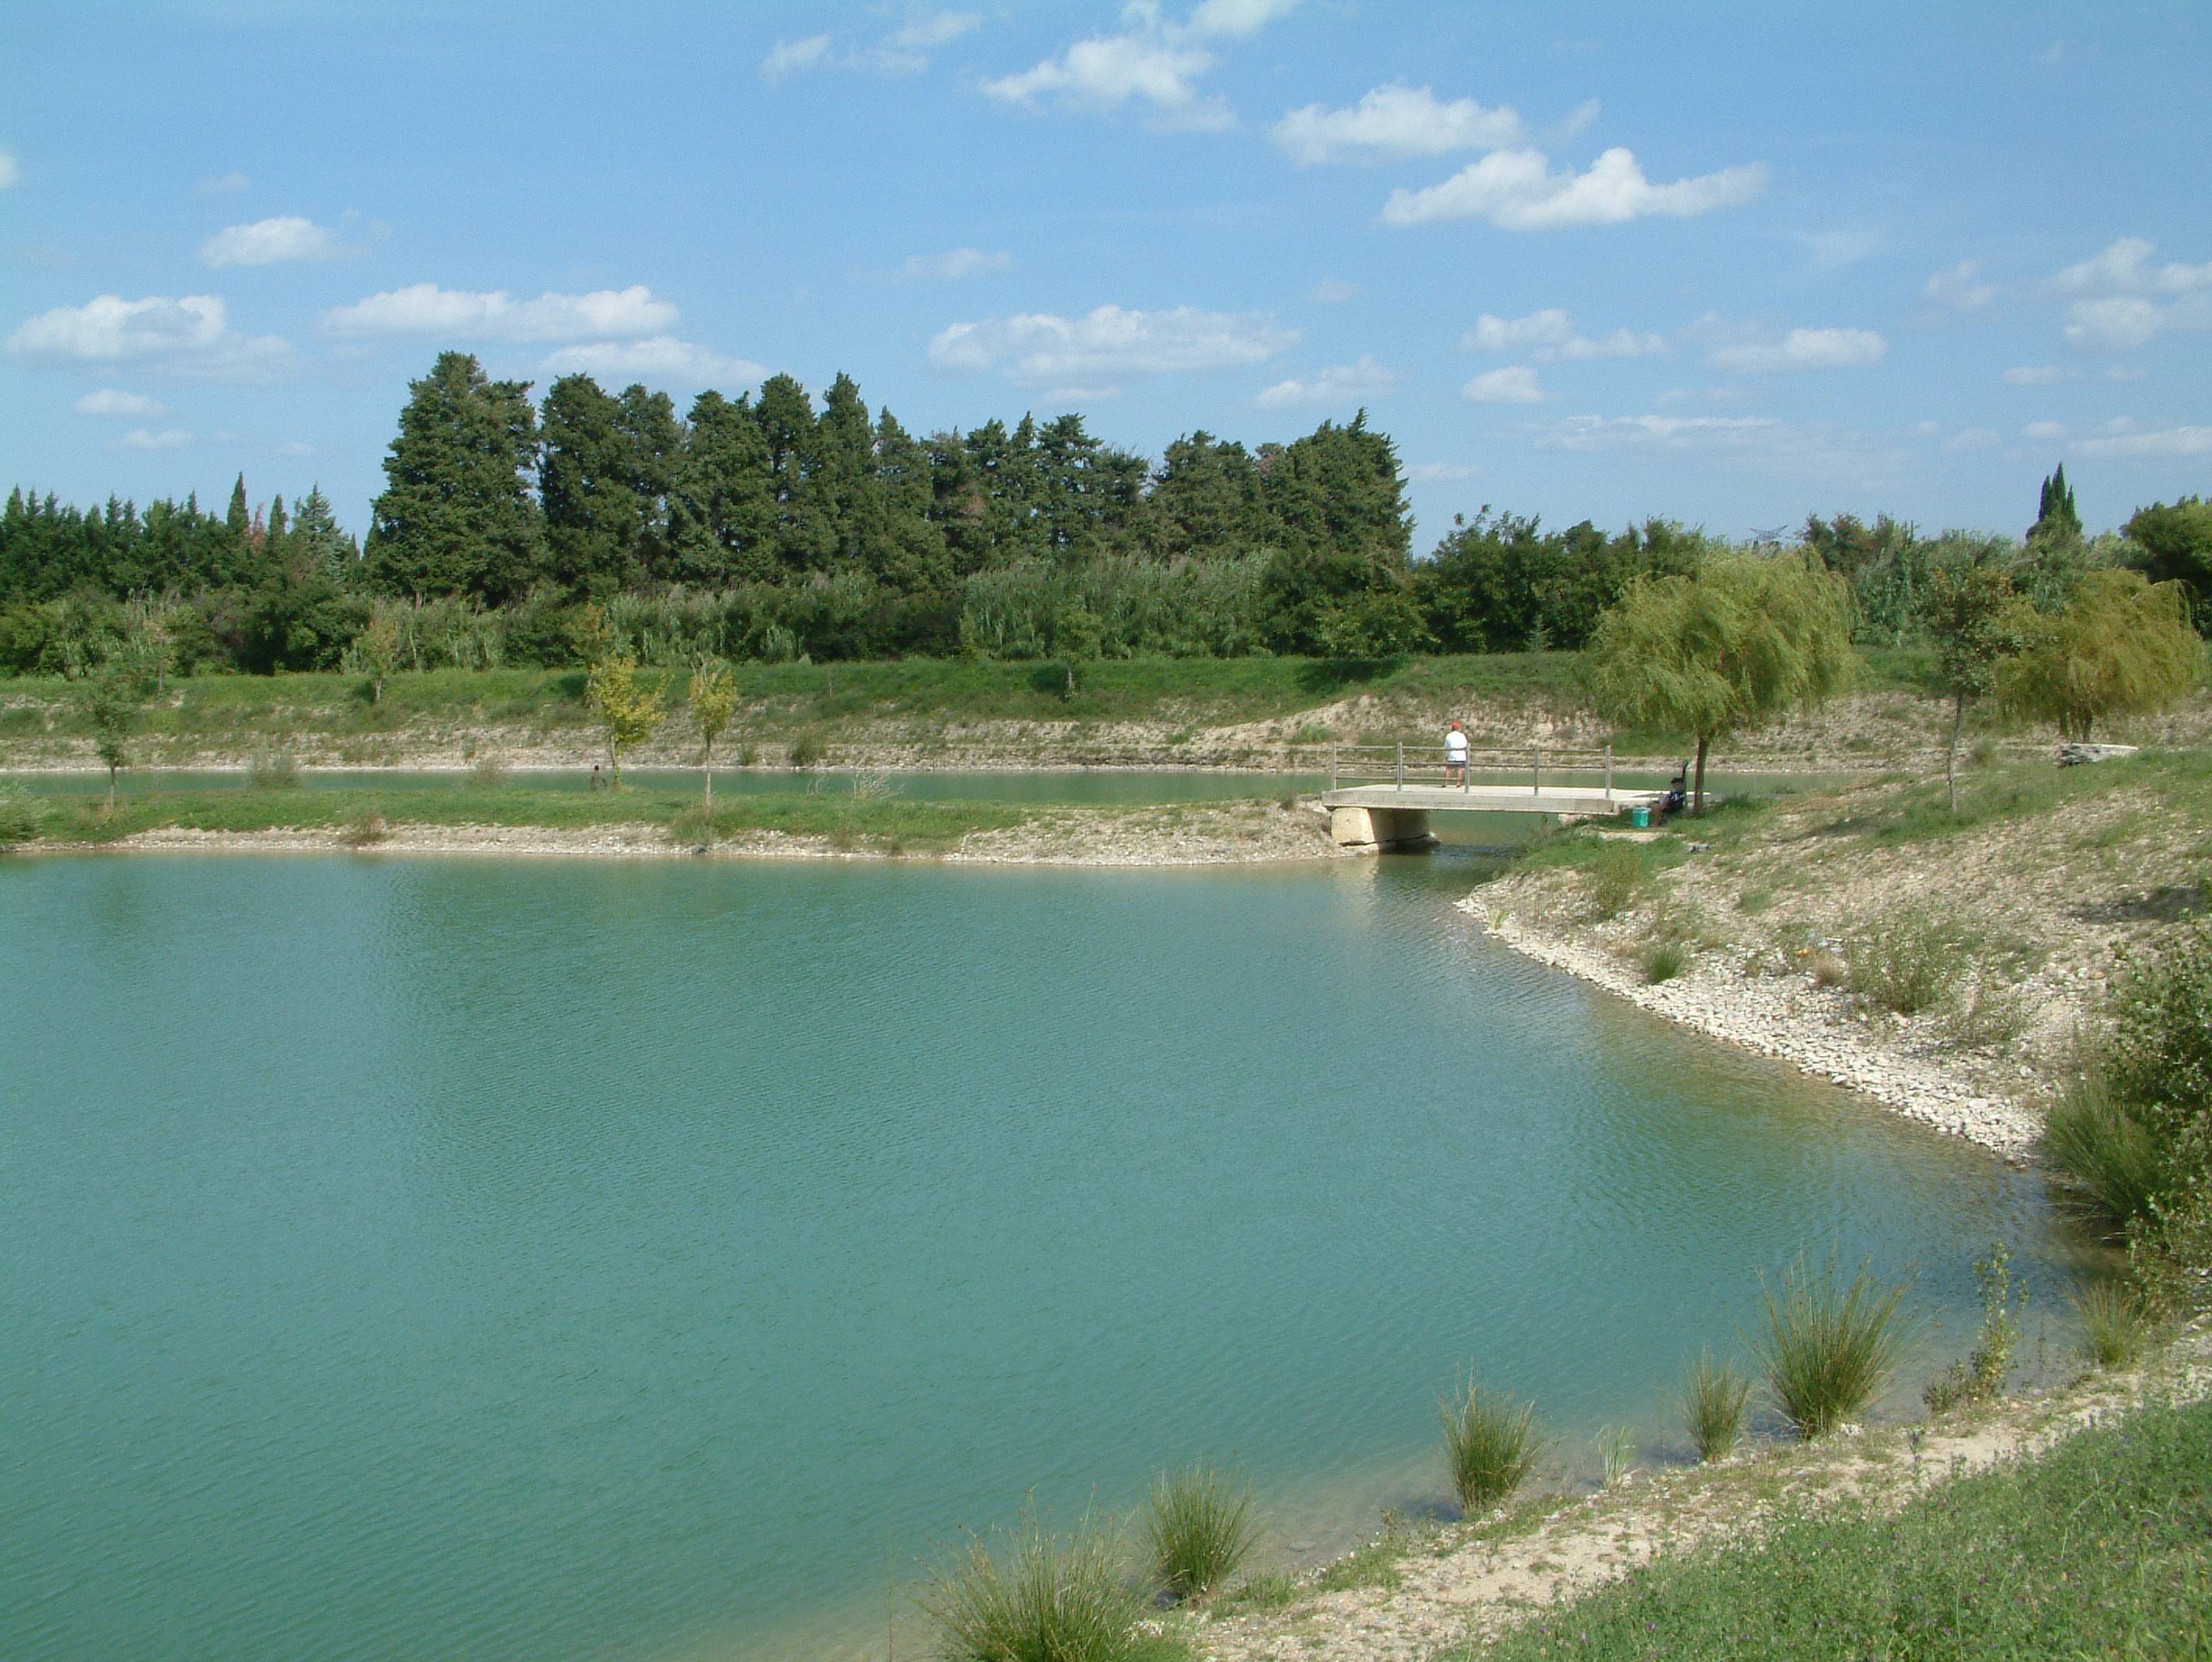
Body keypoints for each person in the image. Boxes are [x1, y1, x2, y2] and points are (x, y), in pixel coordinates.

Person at [1443, 719, 1469, 786]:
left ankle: (1446, 783)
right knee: (1460, 769)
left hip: (1452, 754)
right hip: (1461, 754)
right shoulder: (1462, 736)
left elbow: (1446, 746)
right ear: (1458, 728)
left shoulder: (1449, 736)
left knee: (1449, 768)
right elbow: (1465, 745)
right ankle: (1458, 783)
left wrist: (1447, 753)